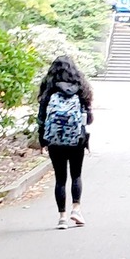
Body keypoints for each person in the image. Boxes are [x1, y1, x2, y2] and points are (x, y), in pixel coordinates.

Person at [37, 56, 94, 229]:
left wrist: (43, 140)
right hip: (77, 140)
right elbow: (89, 119)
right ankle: (76, 209)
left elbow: (41, 119)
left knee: (60, 179)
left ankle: (62, 217)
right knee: (76, 175)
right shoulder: (81, 89)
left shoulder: (49, 89)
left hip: (54, 140)